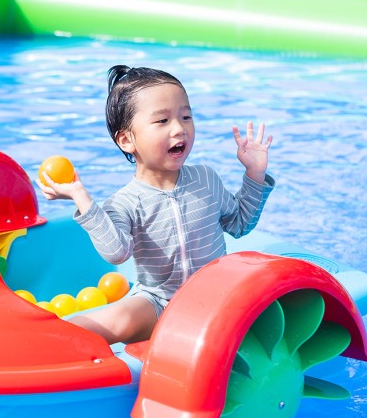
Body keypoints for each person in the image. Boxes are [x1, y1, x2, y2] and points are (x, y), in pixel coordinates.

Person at [38, 65, 275, 345]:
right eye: (162, 121)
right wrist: (82, 198)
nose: (179, 128)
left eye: (186, 117)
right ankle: (42, 341)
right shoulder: (124, 202)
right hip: (159, 303)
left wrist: (254, 174)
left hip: (215, 298)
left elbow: (239, 224)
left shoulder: (205, 179)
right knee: (113, 319)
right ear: (127, 140)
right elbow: (116, 253)